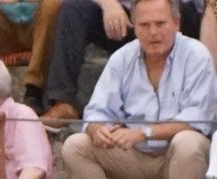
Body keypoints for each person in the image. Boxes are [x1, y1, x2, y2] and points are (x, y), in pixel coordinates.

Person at [60, 0, 215, 179]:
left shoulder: (196, 55)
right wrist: (96, 130)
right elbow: (96, 111)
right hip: (133, 156)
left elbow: (198, 119)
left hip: (179, 156)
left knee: (189, 142)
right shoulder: (122, 58)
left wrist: (143, 132)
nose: (153, 32)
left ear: (176, 23)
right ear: (134, 25)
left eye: (160, 23)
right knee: (76, 145)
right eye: (145, 24)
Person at [41, 0, 202, 125]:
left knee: (183, 12)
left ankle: (186, 108)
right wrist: (108, 4)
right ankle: (63, 102)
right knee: (73, 9)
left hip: (171, 21)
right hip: (123, 18)